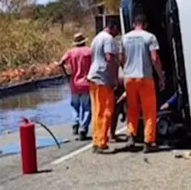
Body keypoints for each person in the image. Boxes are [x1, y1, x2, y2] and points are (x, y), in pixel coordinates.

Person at [119, 13, 165, 153]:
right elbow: (155, 58)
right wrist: (161, 77)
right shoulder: (150, 37)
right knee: (149, 110)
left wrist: (126, 69)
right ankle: (149, 141)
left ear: (134, 24)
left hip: (129, 78)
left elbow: (121, 58)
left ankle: (131, 136)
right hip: (144, 77)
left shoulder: (125, 38)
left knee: (132, 108)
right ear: (145, 25)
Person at [87, 21, 120, 154]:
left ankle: (96, 139)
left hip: (93, 77)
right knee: (106, 111)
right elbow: (109, 58)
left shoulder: (96, 38)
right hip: (103, 79)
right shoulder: (108, 39)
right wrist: (114, 78)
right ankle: (101, 142)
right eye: (117, 31)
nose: (117, 34)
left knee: (96, 111)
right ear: (112, 27)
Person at [54, 32, 92, 141]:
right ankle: (83, 129)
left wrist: (66, 75)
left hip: (74, 83)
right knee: (86, 107)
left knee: (74, 105)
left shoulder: (70, 52)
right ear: (84, 41)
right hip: (86, 82)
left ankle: (75, 122)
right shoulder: (89, 51)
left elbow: (60, 63)